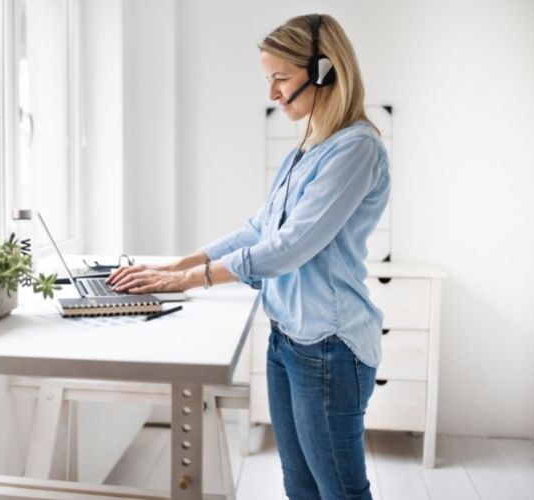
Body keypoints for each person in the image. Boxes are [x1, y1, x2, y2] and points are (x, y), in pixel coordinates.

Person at [107, 13, 388, 500]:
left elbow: (291, 246)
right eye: (269, 79)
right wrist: (173, 265)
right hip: (287, 341)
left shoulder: (356, 149)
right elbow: (258, 229)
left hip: (329, 345)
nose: (273, 93)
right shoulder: (306, 149)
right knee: (299, 485)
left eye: (281, 78)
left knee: (340, 492)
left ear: (323, 70)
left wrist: (191, 280)